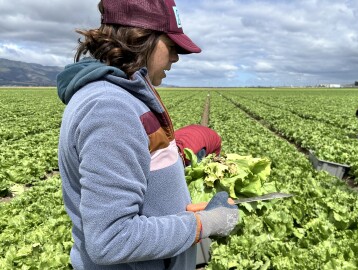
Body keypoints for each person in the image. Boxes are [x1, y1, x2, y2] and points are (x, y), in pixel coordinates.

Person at [55, 0, 239, 269]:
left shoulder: (120, 97)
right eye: (172, 47)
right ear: (141, 37)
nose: (176, 58)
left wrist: (180, 214)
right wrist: (204, 224)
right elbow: (111, 239)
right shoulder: (110, 108)